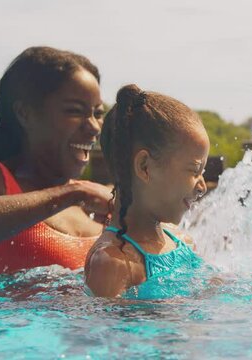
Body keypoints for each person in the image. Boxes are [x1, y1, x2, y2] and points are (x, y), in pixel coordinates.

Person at [0, 46, 112, 275]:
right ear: (25, 113)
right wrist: (73, 195)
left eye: (98, 113)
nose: (94, 127)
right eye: (75, 111)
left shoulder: (100, 204)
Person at [84, 85, 209, 298]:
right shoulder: (113, 263)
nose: (203, 186)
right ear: (145, 167)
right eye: (194, 170)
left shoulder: (183, 242)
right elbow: (109, 330)